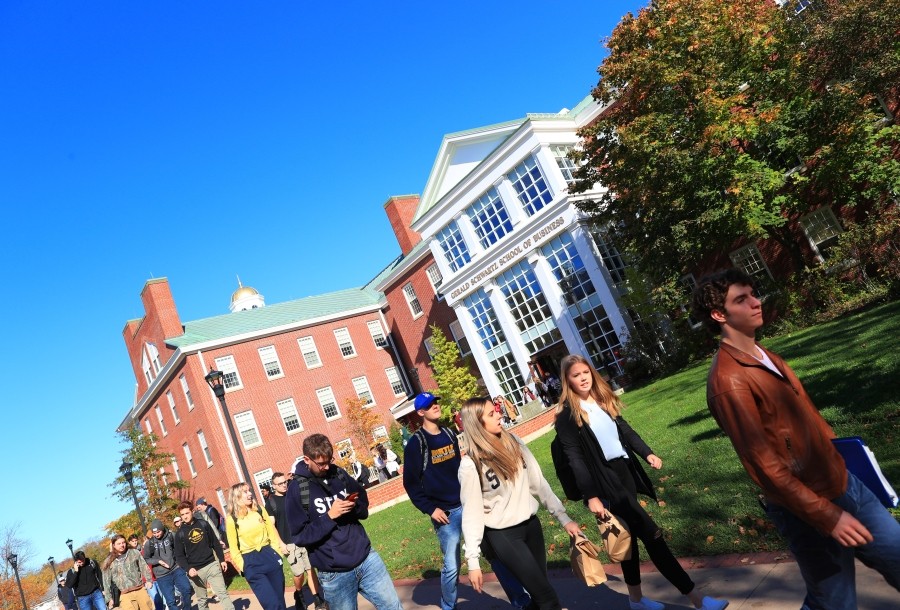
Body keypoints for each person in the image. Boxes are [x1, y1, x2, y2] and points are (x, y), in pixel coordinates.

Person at [693, 268, 900, 609]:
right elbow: (763, 465)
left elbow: (808, 420)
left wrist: (845, 459)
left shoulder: (765, 355)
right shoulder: (728, 382)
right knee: (833, 601)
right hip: (805, 509)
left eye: (753, 294)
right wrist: (825, 515)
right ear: (719, 315)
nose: (756, 303)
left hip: (844, 484)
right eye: (741, 300)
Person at [555, 354, 729, 610]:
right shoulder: (567, 416)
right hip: (606, 483)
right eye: (575, 375)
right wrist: (590, 495)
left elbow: (626, 431)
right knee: (653, 536)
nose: (582, 379)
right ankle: (697, 599)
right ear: (566, 380)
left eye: (585, 373)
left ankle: (635, 600)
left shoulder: (602, 400)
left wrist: (647, 453)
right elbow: (575, 459)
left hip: (625, 473)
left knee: (628, 541)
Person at [403, 392, 531, 610]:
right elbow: (411, 483)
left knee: (495, 554)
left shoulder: (450, 434)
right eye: (429, 405)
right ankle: (448, 606)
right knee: (452, 566)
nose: (435, 406)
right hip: (446, 515)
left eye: (436, 402)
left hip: (471, 505)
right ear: (420, 412)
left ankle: (521, 601)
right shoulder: (417, 444)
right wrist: (430, 509)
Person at [458, 396, 582, 610]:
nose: (499, 414)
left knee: (538, 595)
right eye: (491, 414)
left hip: (532, 527)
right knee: (547, 597)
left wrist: (563, 518)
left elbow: (539, 484)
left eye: (496, 410)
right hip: (504, 535)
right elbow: (472, 514)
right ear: (478, 424)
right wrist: (473, 561)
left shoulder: (514, 442)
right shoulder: (471, 465)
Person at [285, 433, 402, 610]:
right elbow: (300, 536)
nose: (326, 467)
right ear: (306, 460)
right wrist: (330, 516)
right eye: (321, 463)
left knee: (393, 607)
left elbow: (362, 502)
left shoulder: (338, 473)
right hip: (335, 574)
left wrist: (353, 506)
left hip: (367, 559)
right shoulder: (297, 490)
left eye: (329, 461)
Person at [267, 472, 328, 610]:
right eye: (280, 483)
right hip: (289, 543)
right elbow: (271, 526)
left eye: (285, 482)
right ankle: (299, 593)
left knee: (310, 568)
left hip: (303, 538)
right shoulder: (271, 503)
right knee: (298, 573)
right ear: (274, 486)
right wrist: (281, 544)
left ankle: (317, 598)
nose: (284, 485)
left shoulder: (293, 495)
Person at [225, 482, 286, 610]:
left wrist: (276, 553)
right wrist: (244, 566)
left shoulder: (259, 509)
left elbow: (271, 532)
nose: (250, 494)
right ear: (237, 497)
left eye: (249, 491)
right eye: (245, 492)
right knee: (272, 604)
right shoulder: (232, 519)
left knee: (280, 601)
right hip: (251, 562)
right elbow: (233, 548)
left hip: (269, 555)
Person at [173, 501, 235, 610]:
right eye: (182, 515)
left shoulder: (203, 524)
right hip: (195, 571)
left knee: (222, 594)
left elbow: (215, 543)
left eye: (187, 513)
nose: (185, 517)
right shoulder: (180, 534)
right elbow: (179, 556)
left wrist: (221, 560)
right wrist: (188, 569)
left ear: (192, 511)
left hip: (211, 564)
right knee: (202, 600)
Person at [144, 519, 193, 610]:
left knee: (187, 589)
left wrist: (181, 563)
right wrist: (158, 561)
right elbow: (146, 559)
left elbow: (180, 549)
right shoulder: (149, 543)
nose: (156, 534)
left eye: (158, 532)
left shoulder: (172, 536)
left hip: (176, 569)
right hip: (162, 576)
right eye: (154, 533)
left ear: (162, 529)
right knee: (170, 601)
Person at [102, 534, 154, 610]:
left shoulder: (134, 552)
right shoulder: (109, 561)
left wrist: (149, 580)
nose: (122, 545)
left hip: (140, 589)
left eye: (123, 542)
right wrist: (109, 598)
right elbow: (106, 582)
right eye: (119, 544)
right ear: (113, 545)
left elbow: (144, 566)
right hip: (124, 594)